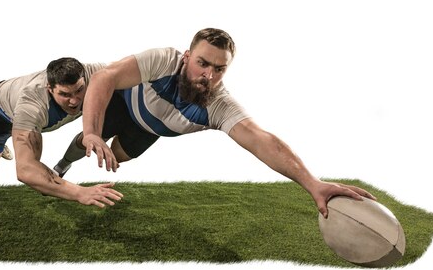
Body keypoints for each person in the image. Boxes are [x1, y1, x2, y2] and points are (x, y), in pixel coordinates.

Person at [54, 28, 374, 217]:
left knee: (118, 157)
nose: (208, 75)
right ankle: (62, 166)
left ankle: (102, 146)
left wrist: (313, 184)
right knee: (88, 144)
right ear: (186, 56)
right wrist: (92, 131)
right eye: (202, 63)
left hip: (149, 132)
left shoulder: (218, 104)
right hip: (123, 105)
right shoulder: (163, 59)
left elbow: (261, 139)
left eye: (219, 69)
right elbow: (105, 78)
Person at [0, 57, 123, 208]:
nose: (74, 101)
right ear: (50, 89)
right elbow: (26, 170)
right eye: (64, 94)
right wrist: (80, 193)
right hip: (0, 112)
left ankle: (11, 144)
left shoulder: (98, 73)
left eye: (79, 90)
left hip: (22, 116)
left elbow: (137, 72)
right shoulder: (31, 106)